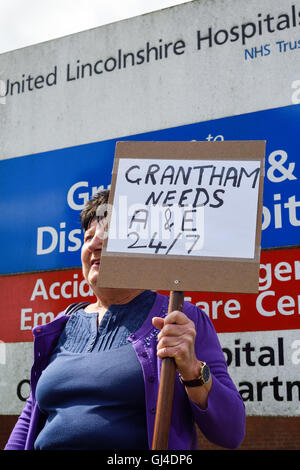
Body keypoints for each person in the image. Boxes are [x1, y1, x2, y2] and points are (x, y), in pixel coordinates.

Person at [5, 189, 245, 450]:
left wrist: (192, 368)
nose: (94, 244)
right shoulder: (62, 324)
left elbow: (230, 433)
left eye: (108, 236)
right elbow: (30, 419)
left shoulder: (180, 319)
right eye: (88, 238)